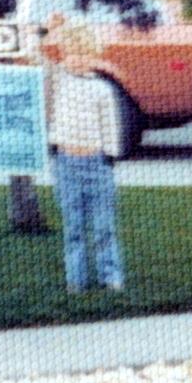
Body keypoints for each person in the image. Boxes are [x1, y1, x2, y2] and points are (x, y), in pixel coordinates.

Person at [46, 21, 126, 293]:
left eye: (84, 53)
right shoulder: (58, 80)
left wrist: (110, 155)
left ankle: (110, 276)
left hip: (96, 164)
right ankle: (76, 280)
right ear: (63, 53)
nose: (78, 59)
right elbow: (35, 54)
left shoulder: (102, 88)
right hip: (66, 164)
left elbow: (110, 125)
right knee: (74, 227)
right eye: (73, 53)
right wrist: (48, 30)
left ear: (94, 56)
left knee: (104, 226)